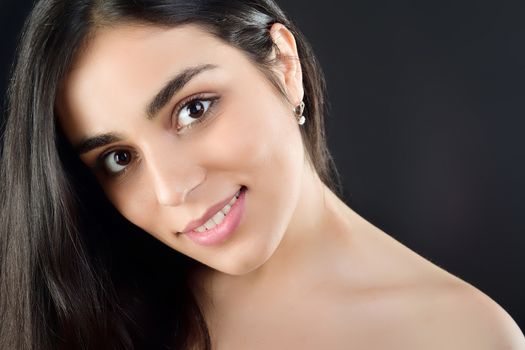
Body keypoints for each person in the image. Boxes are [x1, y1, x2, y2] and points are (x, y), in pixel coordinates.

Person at [0, 0, 523, 349]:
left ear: (283, 65)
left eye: (194, 109)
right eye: (118, 157)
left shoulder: (467, 335)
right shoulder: (90, 316)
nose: (171, 188)